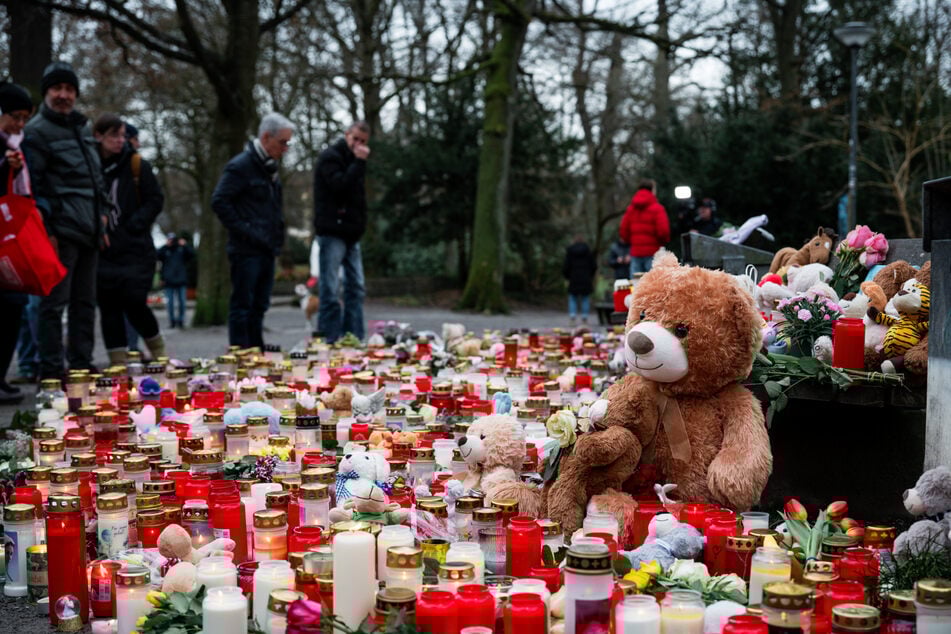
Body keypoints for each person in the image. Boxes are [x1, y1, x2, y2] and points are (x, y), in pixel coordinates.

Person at [24, 61, 109, 379]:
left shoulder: (83, 128)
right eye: (57, 88)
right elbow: (35, 186)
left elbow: (96, 178)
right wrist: (47, 231)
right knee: (53, 304)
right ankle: (50, 372)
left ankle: (81, 365)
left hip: (90, 229)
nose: (64, 95)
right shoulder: (36, 132)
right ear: (47, 92)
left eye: (70, 89)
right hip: (60, 231)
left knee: (85, 303)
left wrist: (103, 216)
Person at [211, 112, 292, 349]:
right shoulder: (241, 166)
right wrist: (245, 230)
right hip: (246, 249)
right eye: (282, 142)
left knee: (260, 305)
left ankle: (256, 350)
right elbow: (219, 201)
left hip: (267, 247)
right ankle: (240, 354)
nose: (285, 148)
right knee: (243, 305)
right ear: (266, 137)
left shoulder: (270, 168)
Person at [92, 113, 166, 365]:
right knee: (109, 308)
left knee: (135, 302)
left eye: (123, 135)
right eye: (114, 135)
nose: (120, 140)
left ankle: (160, 356)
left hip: (135, 250)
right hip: (104, 250)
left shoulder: (136, 165)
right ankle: (118, 364)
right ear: (98, 136)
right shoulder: (90, 166)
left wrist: (134, 225)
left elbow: (155, 200)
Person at [313, 121, 370, 343]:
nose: (358, 145)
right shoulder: (331, 157)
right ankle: (329, 338)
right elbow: (340, 186)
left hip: (351, 232)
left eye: (363, 141)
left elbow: (358, 197)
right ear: (347, 135)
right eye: (355, 139)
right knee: (330, 288)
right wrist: (359, 162)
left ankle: (353, 337)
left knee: (356, 287)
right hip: (332, 231)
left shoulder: (356, 162)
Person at [0, 81, 34, 402]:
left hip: (10, 242)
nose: (20, 124)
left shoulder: (20, 147)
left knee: (13, 307)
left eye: (25, 118)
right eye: (15, 116)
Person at [619, 178, 670, 275]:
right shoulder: (658, 208)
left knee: (636, 282)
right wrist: (662, 242)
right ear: (652, 190)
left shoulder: (630, 209)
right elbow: (663, 232)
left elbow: (623, 232)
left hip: (636, 253)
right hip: (653, 253)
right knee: (654, 282)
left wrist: (633, 242)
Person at [157, 232, 194, 328]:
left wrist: (185, 245)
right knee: (170, 303)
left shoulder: (181, 249)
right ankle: (172, 321)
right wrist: (165, 246)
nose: (171, 241)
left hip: (181, 280)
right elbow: (157, 255)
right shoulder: (165, 250)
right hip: (168, 281)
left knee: (182, 302)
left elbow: (192, 254)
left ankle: (181, 320)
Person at [562, 235, 597, 326]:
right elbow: (593, 266)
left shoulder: (570, 251)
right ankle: (584, 318)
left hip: (573, 278)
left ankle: (572, 318)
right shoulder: (588, 251)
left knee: (572, 298)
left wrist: (567, 277)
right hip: (585, 278)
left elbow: (566, 266)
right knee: (585, 298)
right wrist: (590, 275)